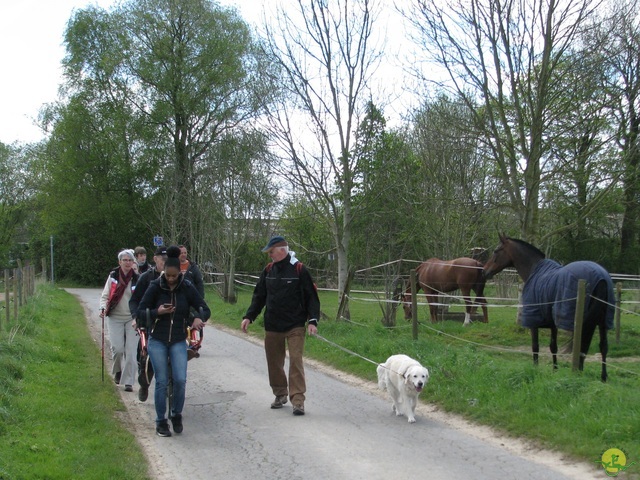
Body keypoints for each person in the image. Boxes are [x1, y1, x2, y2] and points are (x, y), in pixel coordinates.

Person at [241, 235, 320, 416]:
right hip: (273, 325)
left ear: (282, 250)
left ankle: (298, 400)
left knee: (295, 361)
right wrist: (249, 316)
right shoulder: (268, 270)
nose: (269, 255)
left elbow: (311, 297)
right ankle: (280, 394)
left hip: (295, 325)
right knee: (274, 363)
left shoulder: (300, 269)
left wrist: (313, 320)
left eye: (271, 252)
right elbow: (259, 296)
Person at [138, 245, 210, 437]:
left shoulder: (186, 287)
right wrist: (157, 312)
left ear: (180, 273)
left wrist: (197, 318)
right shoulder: (154, 287)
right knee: (161, 381)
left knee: (180, 379)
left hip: (178, 339)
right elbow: (140, 312)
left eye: (174, 276)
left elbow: (203, 307)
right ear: (163, 273)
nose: (170, 279)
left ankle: (176, 413)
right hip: (158, 339)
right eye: (168, 276)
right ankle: (161, 421)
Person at [129, 245, 167, 402]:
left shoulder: (176, 277)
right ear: (155, 259)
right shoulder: (146, 277)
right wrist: (135, 317)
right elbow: (134, 301)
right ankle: (144, 384)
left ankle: (169, 386)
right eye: (162, 258)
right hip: (149, 321)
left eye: (167, 259)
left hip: (170, 323)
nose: (164, 261)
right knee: (145, 357)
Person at [99, 249, 140, 392]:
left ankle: (129, 381)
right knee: (117, 349)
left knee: (131, 351)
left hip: (132, 319)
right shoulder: (113, 277)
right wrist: (103, 308)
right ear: (119, 262)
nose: (128, 263)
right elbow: (105, 296)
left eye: (130, 260)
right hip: (115, 317)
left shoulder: (137, 278)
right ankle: (117, 371)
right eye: (125, 260)